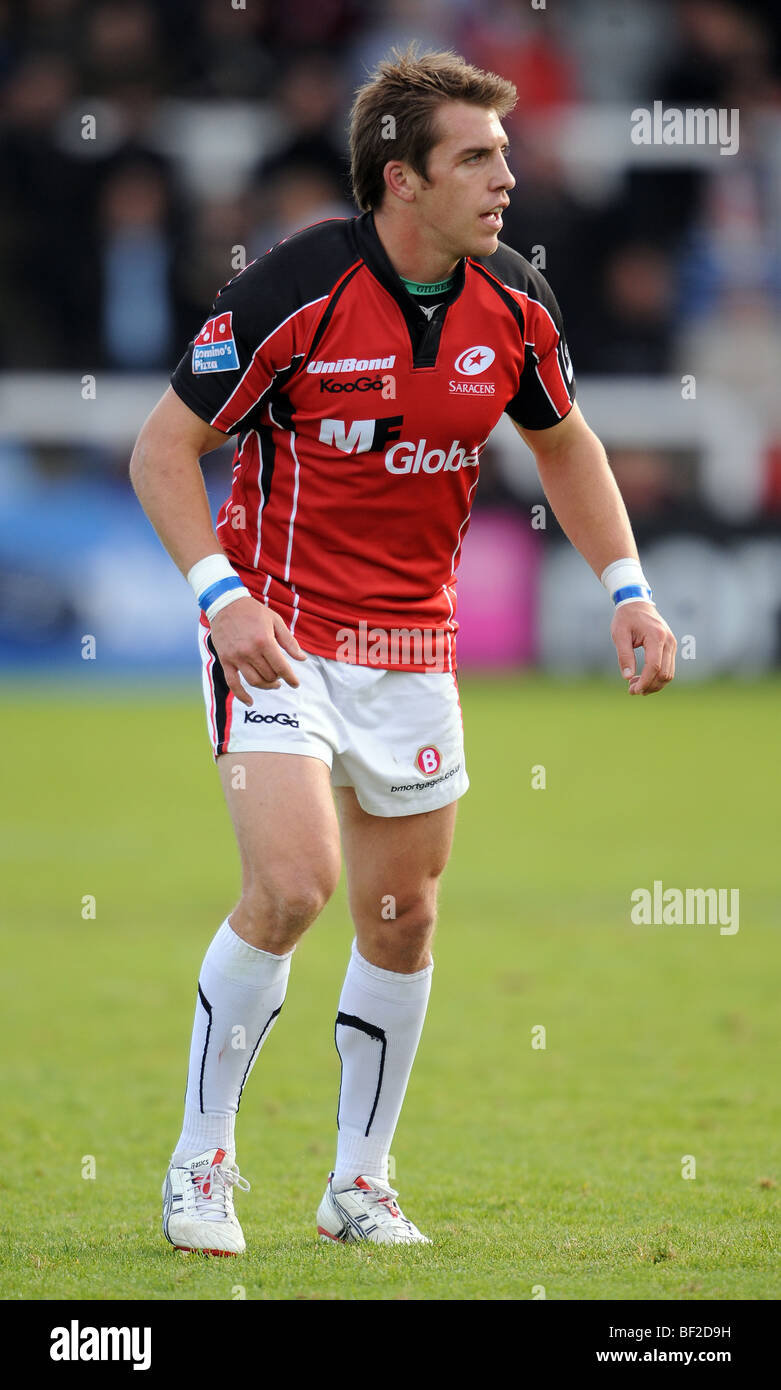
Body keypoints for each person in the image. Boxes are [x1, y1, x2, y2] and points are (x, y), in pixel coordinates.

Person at [130, 47, 676, 1255]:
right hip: (277, 631)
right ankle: (200, 1161)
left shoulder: (514, 299)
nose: (506, 179)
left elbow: (568, 444)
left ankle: (357, 1183)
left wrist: (627, 590)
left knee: (400, 916)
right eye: (477, 157)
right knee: (291, 887)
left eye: (506, 154)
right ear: (400, 180)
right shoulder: (296, 288)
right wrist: (221, 597)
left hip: (413, 646)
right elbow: (162, 450)